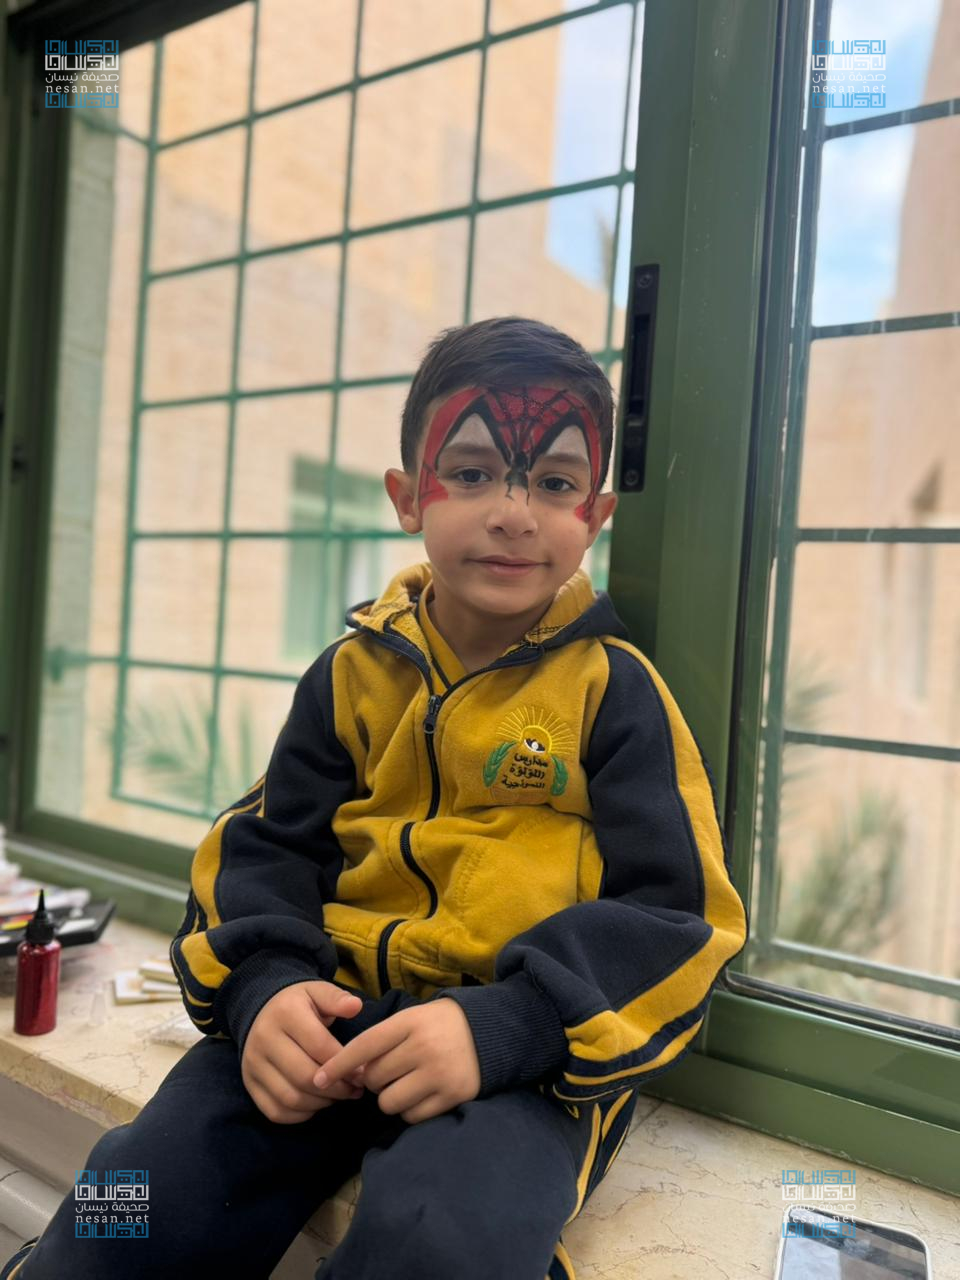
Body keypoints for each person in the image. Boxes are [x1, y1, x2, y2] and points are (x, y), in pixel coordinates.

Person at [3, 315, 748, 1280]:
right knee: (130, 1198)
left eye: (556, 484)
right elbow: (265, 846)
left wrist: (511, 1026)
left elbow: (682, 919)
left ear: (595, 517)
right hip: (327, 1012)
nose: (514, 512)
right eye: (471, 473)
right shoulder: (349, 675)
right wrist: (266, 989)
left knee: (442, 1246)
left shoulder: (618, 693)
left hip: (520, 1059)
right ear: (406, 497)